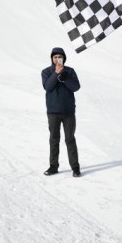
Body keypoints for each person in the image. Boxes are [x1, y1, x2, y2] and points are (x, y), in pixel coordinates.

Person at [41, 47, 81, 177]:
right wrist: (56, 74)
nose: (57, 59)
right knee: (54, 139)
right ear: (52, 59)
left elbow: (76, 87)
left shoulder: (70, 71)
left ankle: (75, 168)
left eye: (60, 57)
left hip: (68, 111)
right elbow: (48, 86)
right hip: (53, 112)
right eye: (55, 57)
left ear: (64, 58)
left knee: (70, 139)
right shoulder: (46, 72)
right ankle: (53, 166)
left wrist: (64, 78)